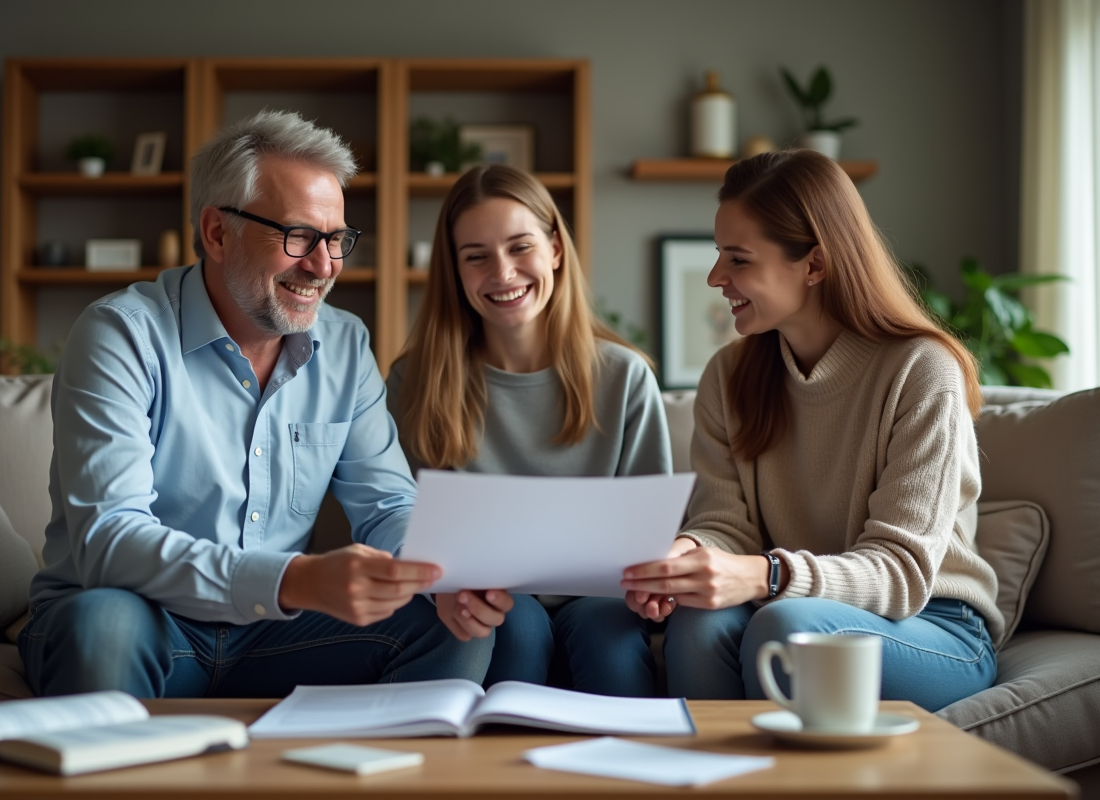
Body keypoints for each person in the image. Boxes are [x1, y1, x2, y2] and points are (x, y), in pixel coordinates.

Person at [19, 111, 493, 698]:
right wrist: (293, 579)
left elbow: (388, 504)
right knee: (106, 623)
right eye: (298, 236)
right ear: (217, 232)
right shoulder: (121, 334)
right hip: (142, 620)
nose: (323, 267)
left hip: (274, 633)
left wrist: (440, 572)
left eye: (337, 240)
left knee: (454, 625)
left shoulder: (344, 345)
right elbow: (109, 539)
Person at [621, 149, 1001, 711]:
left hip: (932, 627)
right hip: (787, 604)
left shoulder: (922, 371)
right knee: (700, 619)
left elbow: (900, 572)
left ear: (814, 265)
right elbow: (726, 523)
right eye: (717, 255)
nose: (715, 277)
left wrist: (763, 576)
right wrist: (688, 558)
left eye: (738, 259)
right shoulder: (728, 376)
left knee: (789, 628)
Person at [386, 164, 672, 696]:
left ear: (556, 249)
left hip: (600, 603)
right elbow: (407, 521)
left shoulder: (624, 376)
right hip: (490, 598)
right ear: (455, 271)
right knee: (514, 627)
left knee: (607, 638)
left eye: (521, 247)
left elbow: (647, 537)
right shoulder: (414, 381)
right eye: (476, 257)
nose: (503, 272)